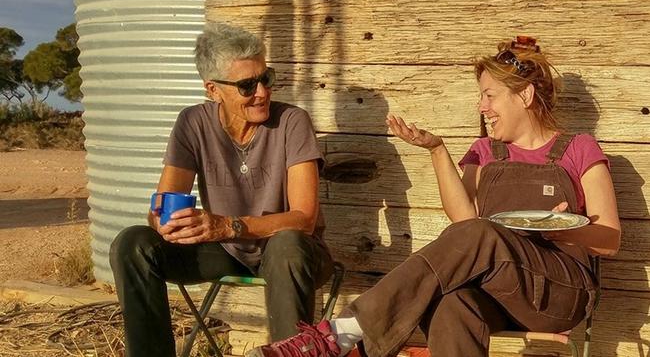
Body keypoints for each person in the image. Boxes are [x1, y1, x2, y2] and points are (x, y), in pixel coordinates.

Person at [246, 36, 621, 357]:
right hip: (498, 291)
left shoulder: (577, 148)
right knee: (452, 304)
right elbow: (464, 224)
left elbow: (610, 241)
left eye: (490, 95)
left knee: (482, 232)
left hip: (558, 291)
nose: (482, 107)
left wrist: (564, 230)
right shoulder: (486, 152)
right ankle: (342, 335)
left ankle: (342, 333)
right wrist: (437, 150)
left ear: (524, 95)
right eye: (481, 96)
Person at [109, 22, 333, 357]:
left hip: (294, 256)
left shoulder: (292, 123)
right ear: (213, 90)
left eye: (265, 78)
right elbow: (162, 204)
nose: (262, 91)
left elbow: (305, 219)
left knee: (287, 244)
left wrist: (228, 225)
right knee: (133, 243)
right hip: (226, 252)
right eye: (247, 85)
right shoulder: (192, 123)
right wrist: (167, 223)